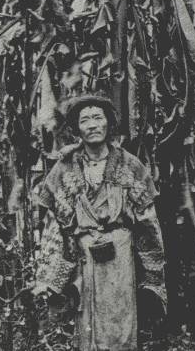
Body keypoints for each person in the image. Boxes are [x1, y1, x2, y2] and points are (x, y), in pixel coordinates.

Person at [34, 93, 166, 351]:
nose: (92, 125)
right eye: (85, 120)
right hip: (84, 258)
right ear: (76, 128)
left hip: (120, 258)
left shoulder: (130, 164)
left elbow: (148, 221)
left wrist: (152, 273)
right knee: (86, 323)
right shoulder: (65, 167)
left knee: (121, 320)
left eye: (98, 118)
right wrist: (56, 273)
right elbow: (54, 223)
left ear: (108, 123)